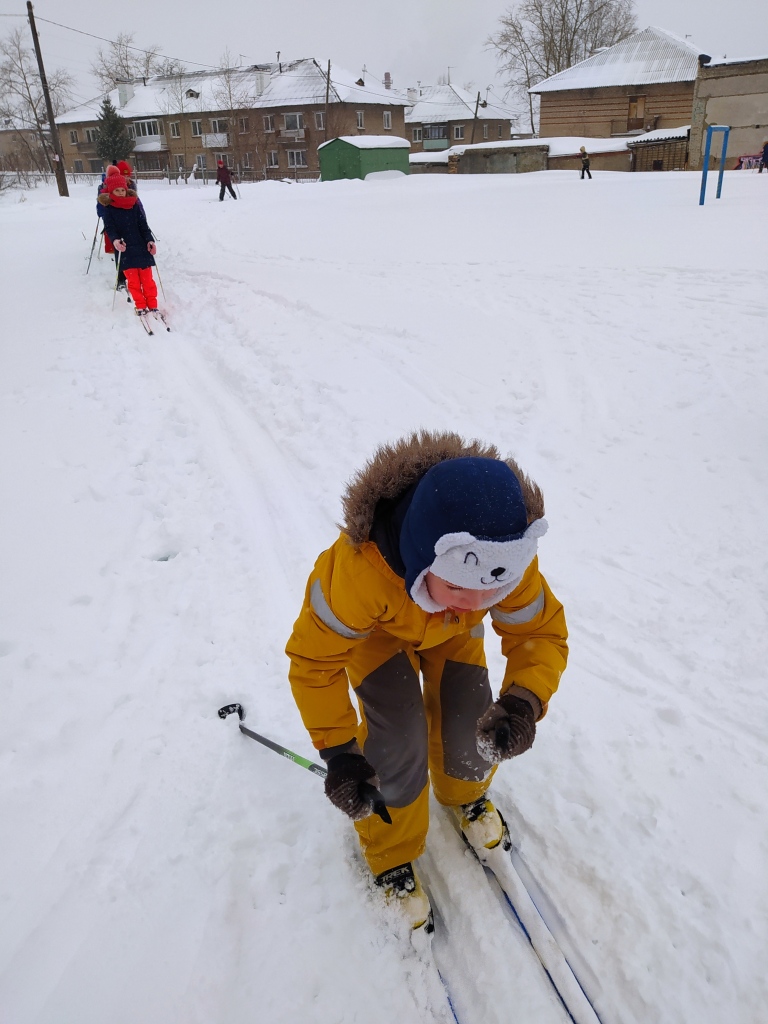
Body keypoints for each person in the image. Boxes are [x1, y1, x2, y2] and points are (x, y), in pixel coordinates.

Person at [285, 431, 568, 933]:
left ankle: (466, 793)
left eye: (491, 589)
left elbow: (538, 632)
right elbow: (315, 663)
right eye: (457, 585)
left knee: (472, 719)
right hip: (379, 635)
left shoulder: (502, 557)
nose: (475, 601)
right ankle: (391, 849)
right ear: (423, 554)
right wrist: (340, 753)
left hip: (447, 635)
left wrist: (525, 699)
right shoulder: (358, 573)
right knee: (397, 734)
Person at [98, 166, 159, 316]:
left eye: (122, 190)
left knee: (148, 281)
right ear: (111, 192)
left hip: (141, 248)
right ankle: (140, 305)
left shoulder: (134, 206)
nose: (120, 193)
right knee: (134, 282)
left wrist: (149, 241)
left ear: (126, 190)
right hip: (125, 250)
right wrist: (116, 241)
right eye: (117, 190)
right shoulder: (109, 209)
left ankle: (152, 304)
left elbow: (143, 226)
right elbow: (110, 229)